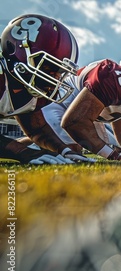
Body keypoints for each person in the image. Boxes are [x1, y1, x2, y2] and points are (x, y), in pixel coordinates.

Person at [44, 41, 121, 160]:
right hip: (60, 102)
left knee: (80, 147)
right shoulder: (113, 76)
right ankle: (27, 148)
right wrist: (113, 155)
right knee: (71, 151)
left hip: (80, 113)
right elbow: (75, 122)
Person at [0, 14, 84, 164]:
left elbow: (36, 129)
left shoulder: (30, 87)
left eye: (59, 72)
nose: (55, 78)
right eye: (49, 67)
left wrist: (63, 150)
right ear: (17, 52)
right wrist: (21, 151)